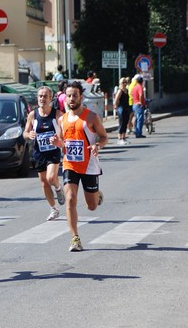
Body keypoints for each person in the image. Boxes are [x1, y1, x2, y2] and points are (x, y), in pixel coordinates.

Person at [52, 81, 108, 252]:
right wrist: (57, 143)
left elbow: (104, 137)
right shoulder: (62, 119)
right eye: (68, 96)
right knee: (70, 199)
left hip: (89, 165)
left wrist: (97, 146)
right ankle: (75, 238)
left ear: (81, 97)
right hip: (70, 164)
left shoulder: (91, 117)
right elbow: (62, 143)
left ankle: (97, 194)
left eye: (74, 95)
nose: (71, 99)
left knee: (92, 206)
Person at [23, 85, 65, 221]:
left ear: (51, 98)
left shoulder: (58, 115)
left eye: (45, 96)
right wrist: (29, 134)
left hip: (53, 152)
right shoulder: (33, 115)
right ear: (37, 98)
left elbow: (66, 132)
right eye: (40, 96)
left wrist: (59, 139)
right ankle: (54, 209)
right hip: (39, 152)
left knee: (51, 178)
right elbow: (24, 133)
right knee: (44, 183)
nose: (42, 99)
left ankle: (58, 188)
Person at [114, 77, 131, 145]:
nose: (124, 83)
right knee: (121, 123)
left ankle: (124, 137)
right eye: (123, 82)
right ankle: (119, 138)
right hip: (121, 108)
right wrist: (117, 107)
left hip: (126, 108)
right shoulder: (120, 91)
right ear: (120, 83)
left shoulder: (126, 90)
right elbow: (116, 100)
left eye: (125, 82)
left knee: (125, 123)